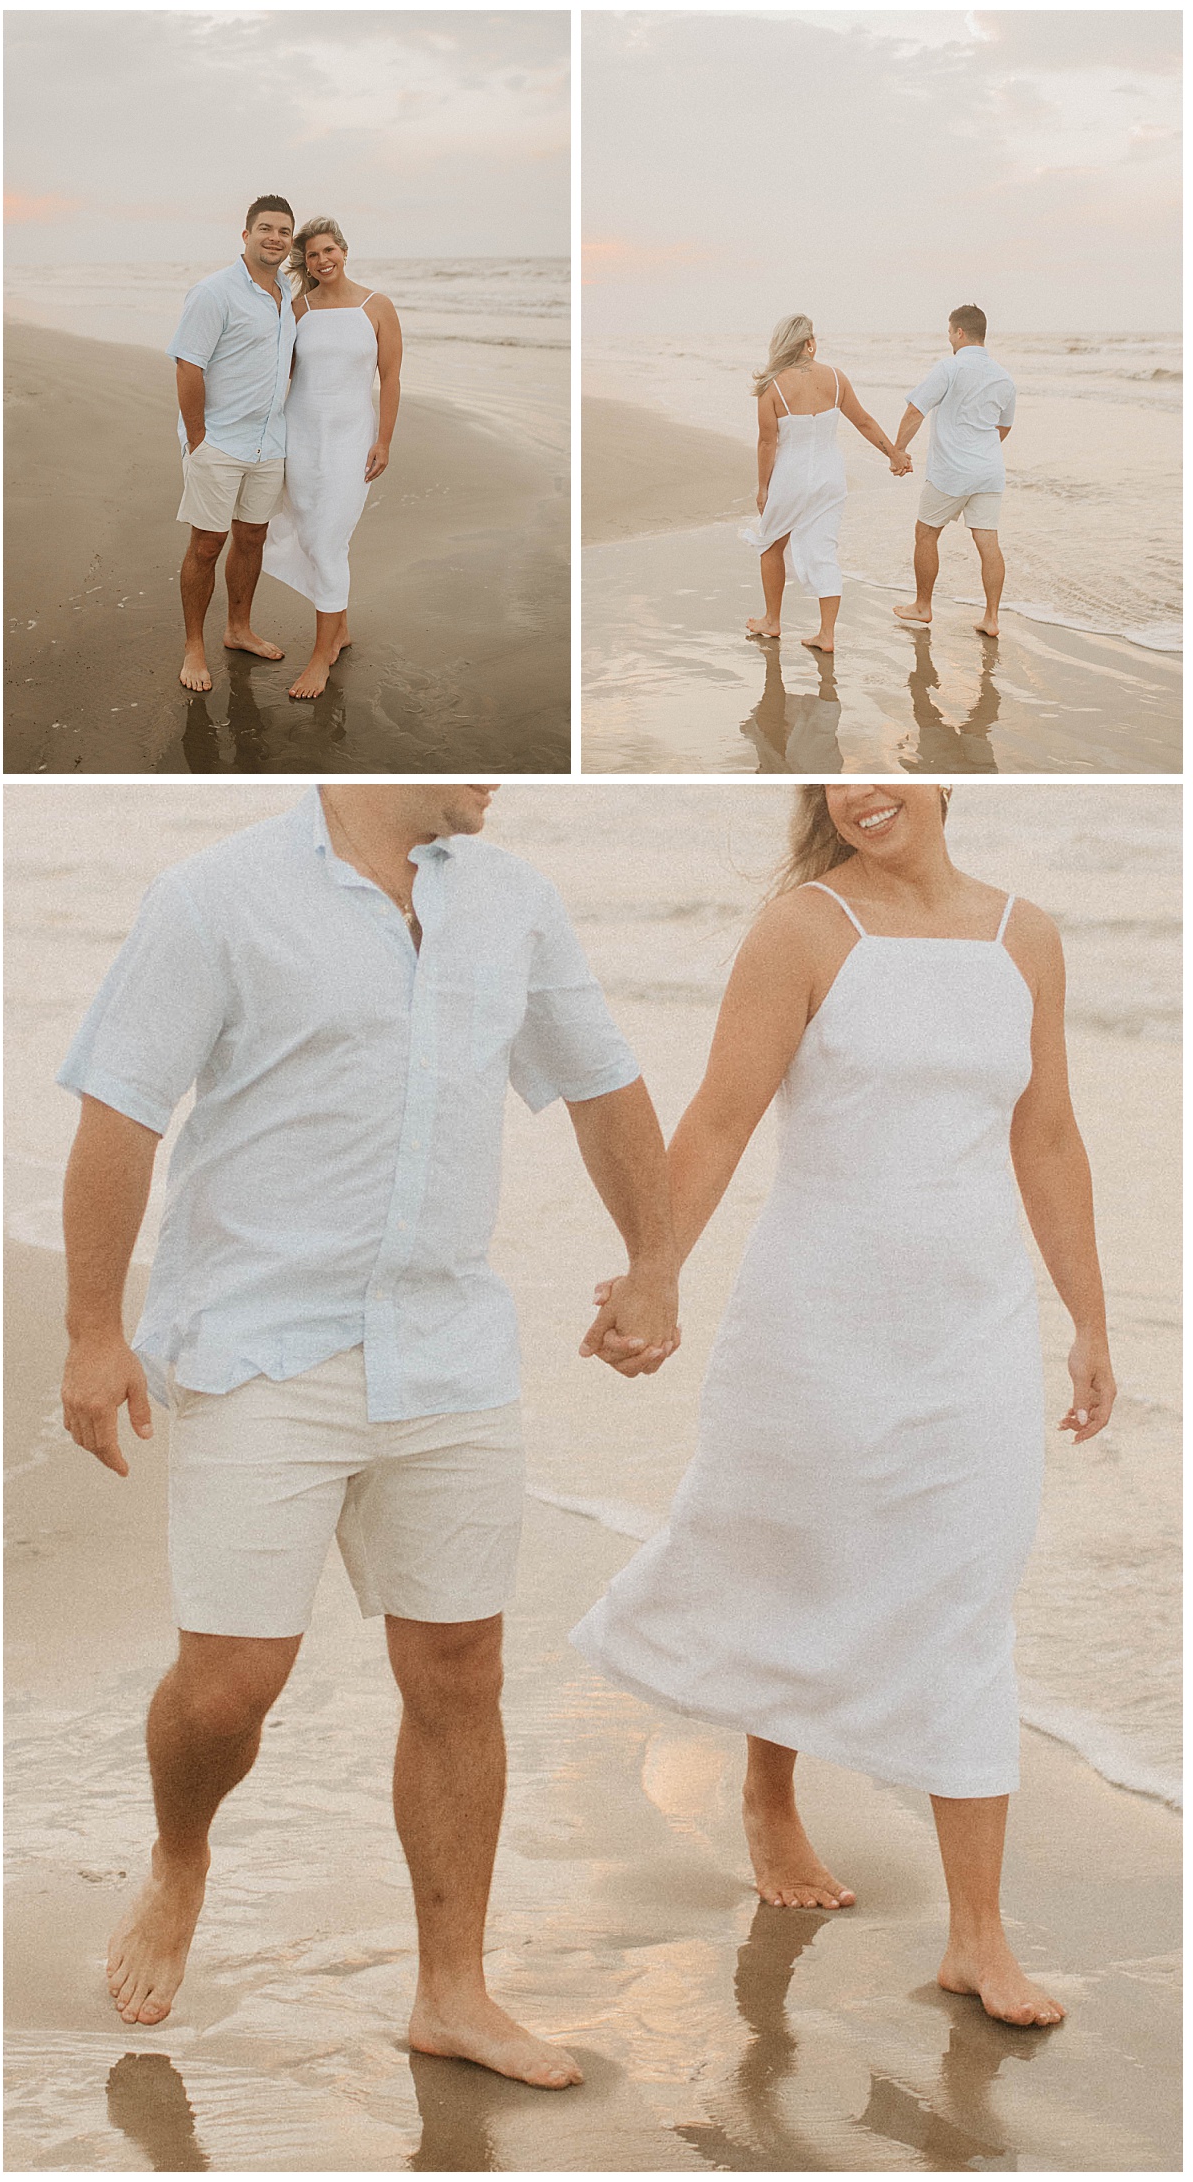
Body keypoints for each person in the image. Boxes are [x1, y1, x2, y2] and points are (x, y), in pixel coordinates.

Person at [57, 784, 680, 2091]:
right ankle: (182, 1856)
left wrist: (654, 1260)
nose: (509, 777)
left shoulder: (511, 901)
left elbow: (604, 1085)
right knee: (232, 1683)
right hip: (259, 1337)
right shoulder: (216, 896)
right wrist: (93, 1329)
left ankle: (452, 1991)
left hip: (446, 1342)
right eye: (491, 751)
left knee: (459, 1666)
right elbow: (120, 1107)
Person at [573, 782, 1116, 2029]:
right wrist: (655, 1273)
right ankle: (770, 1792)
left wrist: (1088, 1320)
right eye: (834, 768)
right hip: (816, 1318)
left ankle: (978, 1936)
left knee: (969, 1590)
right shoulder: (804, 930)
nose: (861, 788)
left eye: (885, 760)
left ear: (939, 774)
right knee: (795, 1558)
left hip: (970, 1328)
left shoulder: (1023, 934)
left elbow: (1048, 1133)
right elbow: (720, 1115)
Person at [263, 218, 403, 699]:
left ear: (344, 250)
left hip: (351, 438)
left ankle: (321, 656)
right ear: (307, 262)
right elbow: (282, 374)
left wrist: (383, 440)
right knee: (306, 526)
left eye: (329, 251)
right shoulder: (297, 307)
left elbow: (391, 379)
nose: (323, 261)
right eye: (314, 256)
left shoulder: (376, 306)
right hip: (302, 433)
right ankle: (339, 631)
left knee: (329, 539)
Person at [167, 195, 298, 694]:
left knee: (252, 538)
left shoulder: (287, 294)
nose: (275, 238)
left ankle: (238, 629)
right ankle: (194, 647)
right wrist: (198, 438)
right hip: (219, 441)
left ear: (291, 241)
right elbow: (187, 364)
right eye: (265, 228)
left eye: (284, 231)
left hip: (270, 441)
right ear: (245, 235)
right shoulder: (214, 292)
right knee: (207, 544)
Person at [743, 314, 911, 652]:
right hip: (830, 475)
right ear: (809, 343)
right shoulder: (835, 378)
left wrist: (763, 487)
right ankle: (826, 634)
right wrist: (893, 454)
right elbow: (863, 421)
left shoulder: (771, 387)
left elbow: (767, 443)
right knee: (824, 551)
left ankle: (772, 620)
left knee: (771, 543)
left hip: (791, 476)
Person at [893, 306, 1017, 639]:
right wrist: (981, 451)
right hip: (990, 472)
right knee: (987, 541)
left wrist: (898, 452)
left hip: (951, 471)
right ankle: (991, 619)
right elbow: (1003, 427)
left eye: (949, 332)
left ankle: (923, 605)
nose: (948, 337)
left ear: (959, 332)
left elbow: (915, 411)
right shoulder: (1004, 377)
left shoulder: (950, 367)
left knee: (926, 533)